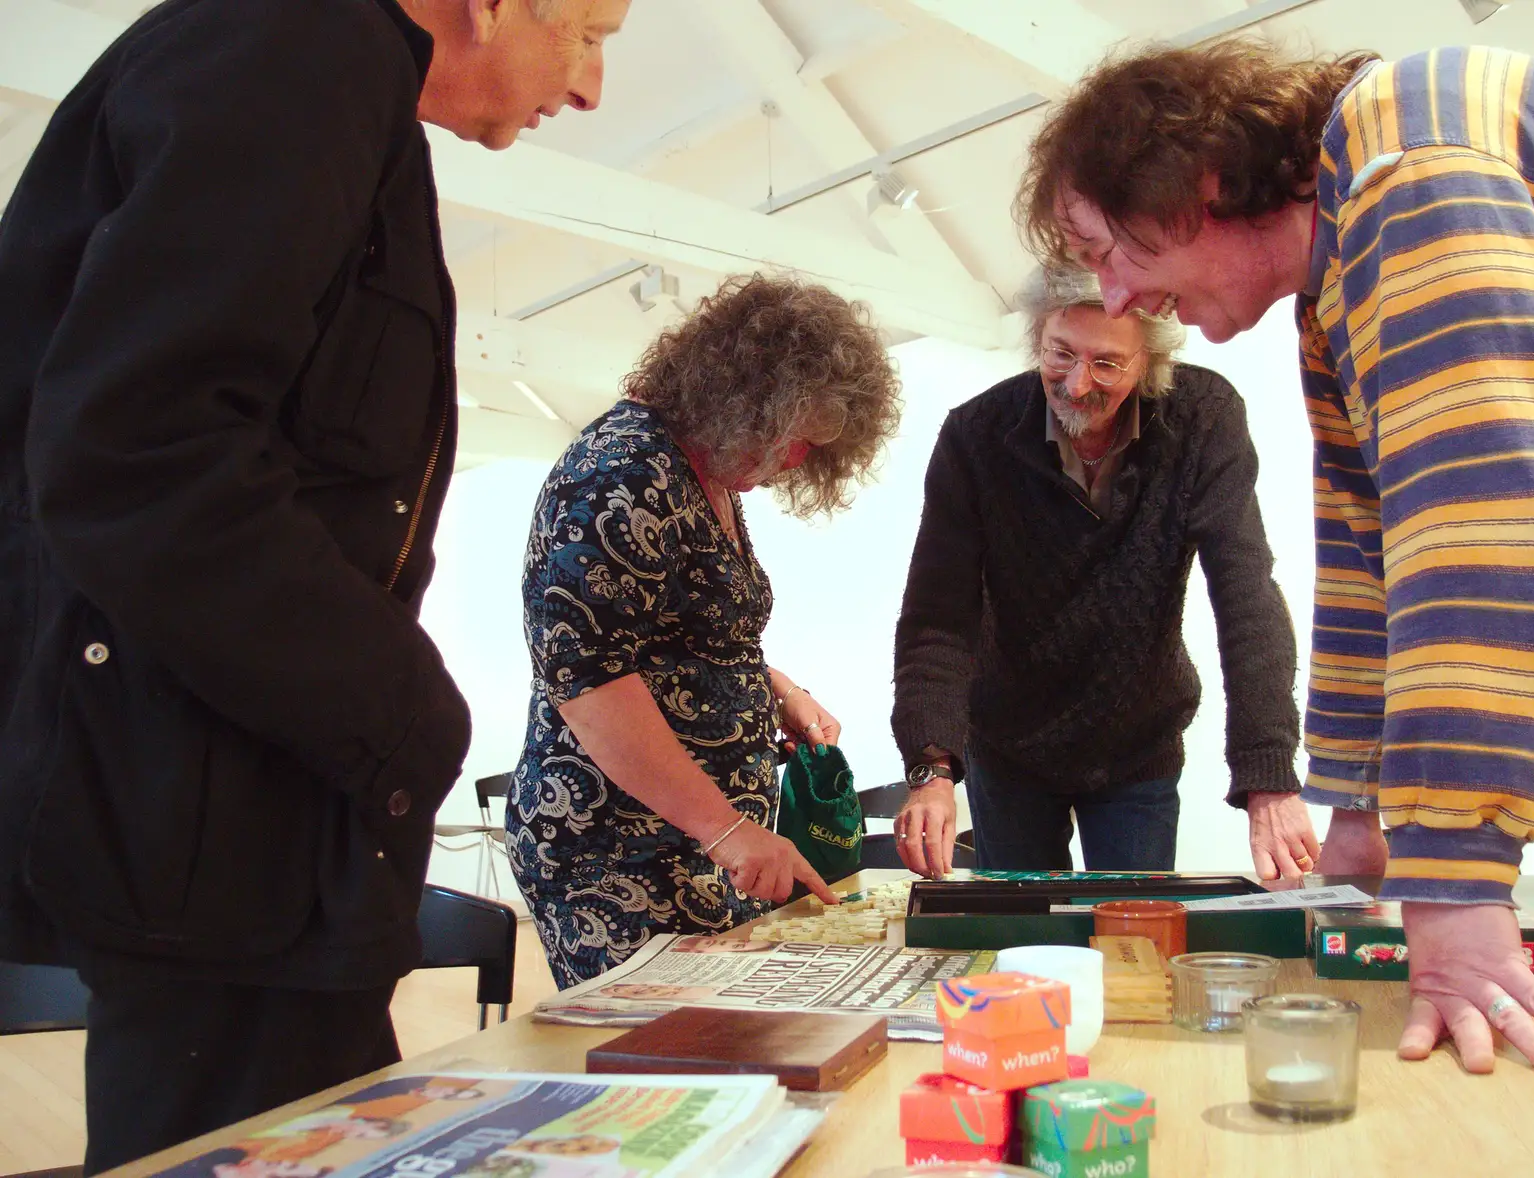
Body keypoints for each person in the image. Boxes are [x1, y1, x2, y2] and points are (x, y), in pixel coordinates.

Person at [0, 0, 629, 1169]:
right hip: (210, 820)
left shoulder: (334, 81)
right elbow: (138, 450)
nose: (590, 85)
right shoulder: (299, 48)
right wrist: (406, 711)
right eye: (590, 29)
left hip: (251, 810)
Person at [1018, 39, 1534, 1075]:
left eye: (1110, 248)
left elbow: (1480, 522)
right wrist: (1360, 814)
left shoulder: (1406, 152)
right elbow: (1366, 553)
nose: (1111, 297)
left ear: (1192, 184)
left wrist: (1458, 878)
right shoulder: (1334, 279)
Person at [507, 273, 902, 988]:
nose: (794, 463)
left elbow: (682, 634)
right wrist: (724, 829)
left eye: (811, 448)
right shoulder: (620, 471)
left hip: (691, 846)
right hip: (617, 849)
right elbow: (587, 679)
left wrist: (776, 688)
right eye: (788, 437)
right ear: (738, 396)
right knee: (660, 1063)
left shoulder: (707, 469)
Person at [891, 265, 1317, 881]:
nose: (1078, 384)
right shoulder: (975, 434)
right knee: (1026, 947)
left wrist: (1268, 776)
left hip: (1136, 744)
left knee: (1136, 941)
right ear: (1037, 335)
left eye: (1108, 364)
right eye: (1060, 354)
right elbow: (938, 617)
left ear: (1151, 361)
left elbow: (1246, 592)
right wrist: (932, 769)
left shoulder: (1203, 418)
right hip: (1009, 744)